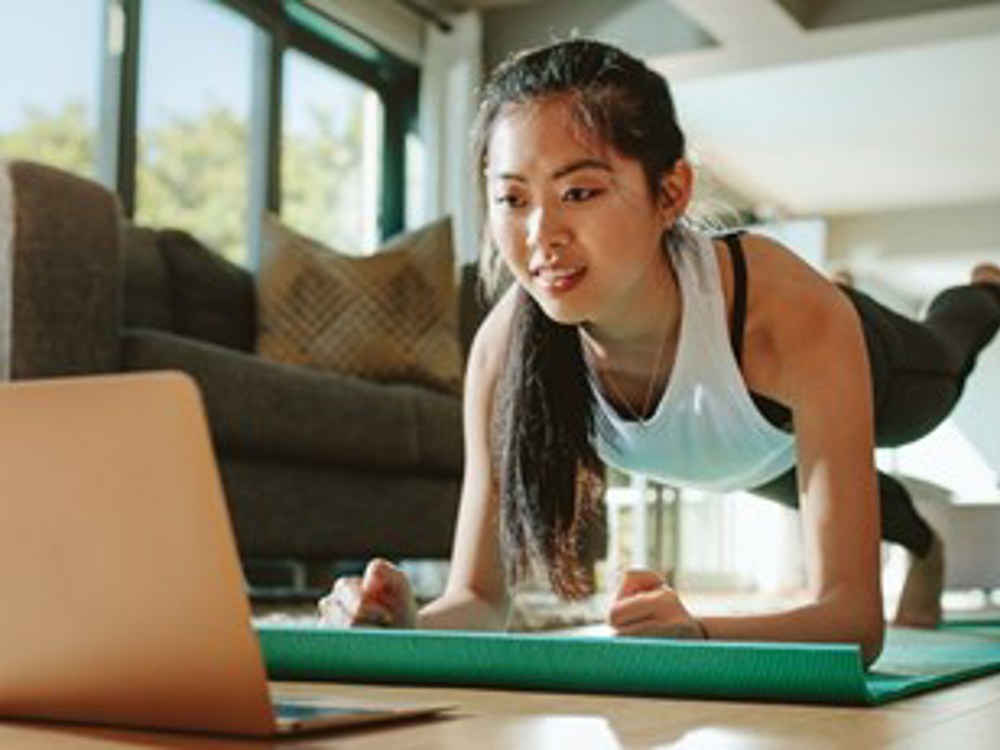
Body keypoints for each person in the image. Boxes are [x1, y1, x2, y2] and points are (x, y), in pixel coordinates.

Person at [318, 39, 1000, 666]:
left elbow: (853, 622)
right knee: (816, 487)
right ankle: (923, 541)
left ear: (670, 192)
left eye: (579, 192)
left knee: (947, 357)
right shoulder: (505, 352)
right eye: (513, 199)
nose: (540, 236)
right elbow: (478, 599)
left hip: (874, 368)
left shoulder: (788, 317)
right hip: (744, 448)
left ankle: (983, 293)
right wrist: (403, 624)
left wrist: (700, 633)